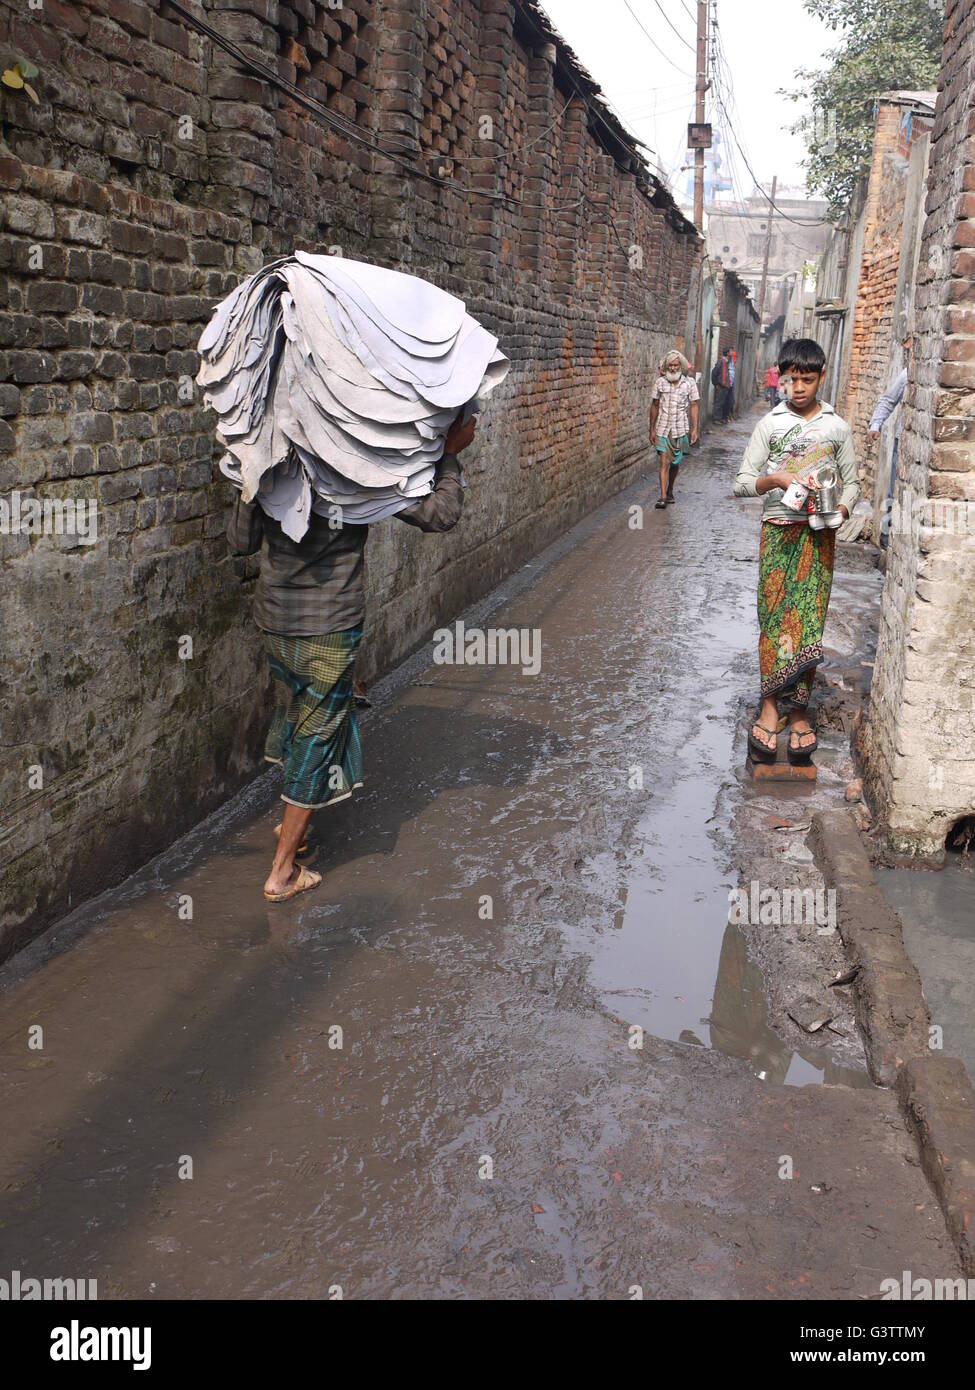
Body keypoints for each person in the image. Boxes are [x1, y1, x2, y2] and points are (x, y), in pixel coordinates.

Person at [228, 413, 477, 901]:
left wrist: (246, 478)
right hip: (329, 624)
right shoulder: (360, 462)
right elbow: (440, 515)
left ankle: (292, 836)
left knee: (299, 719)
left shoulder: (270, 458)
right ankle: (281, 873)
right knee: (318, 733)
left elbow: (240, 543)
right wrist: (448, 454)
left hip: (275, 619)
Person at [733, 338, 860, 765]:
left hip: (819, 536)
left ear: (821, 377)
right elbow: (741, 483)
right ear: (782, 379)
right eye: (792, 380)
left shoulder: (837, 428)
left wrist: (841, 508)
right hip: (778, 534)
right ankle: (770, 707)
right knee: (773, 619)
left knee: (807, 624)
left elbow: (854, 483)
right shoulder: (769, 425)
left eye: (808, 379)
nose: (800, 388)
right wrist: (776, 479)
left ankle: (800, 713)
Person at [867, 335, 911, 548]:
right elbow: (888, 400)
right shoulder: (908, 374)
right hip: (901, 444)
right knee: (894, 494)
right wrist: (875, 425)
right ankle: (886, 544)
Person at [650, 349, 700, 508]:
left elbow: (693, 405)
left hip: (680, 429)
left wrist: (694, 429)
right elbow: (655, 405)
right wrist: (651, 429)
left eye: (676, 365)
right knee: (663, 461)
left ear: (680, 366)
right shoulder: (660, 382)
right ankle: (663, 496)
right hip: (663, 428)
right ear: (666, 366)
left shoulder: (689, 383)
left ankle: (670, 489)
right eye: (670, 365)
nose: (673, 368)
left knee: (675, 463)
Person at [711, 347, 732, 423]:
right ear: (727, 353)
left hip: (725, 386)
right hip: (721, 386)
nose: (731, 353)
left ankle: (720, 418)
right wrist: (715, 383)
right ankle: (716, 419)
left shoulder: (726, 362)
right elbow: (714, 373)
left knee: (722, 402)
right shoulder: (721, 362)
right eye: (730, 352)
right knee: (718, 402)